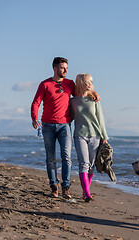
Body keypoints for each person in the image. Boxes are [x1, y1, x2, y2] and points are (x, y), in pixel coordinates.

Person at [31, 57, 99, 199]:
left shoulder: (69, 84)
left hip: (64, 126)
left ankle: (66, 187)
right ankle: (54, 185)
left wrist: (95, 93)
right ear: (55, 69)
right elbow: (36, 102)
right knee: (50, 157)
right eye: (62, 68)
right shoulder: (45, 84)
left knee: (66, 157)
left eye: (66, 68)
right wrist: (34, 118)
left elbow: (82, 93)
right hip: (47, 126)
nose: (65, 70)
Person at [70, 73, 109, 202]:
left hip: (95, 135)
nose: (90, 84)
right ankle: (87, 194)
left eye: (91, 81)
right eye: (88, 82)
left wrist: (104, 136)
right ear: (81, 83)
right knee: (84, 164)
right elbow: (69, 117)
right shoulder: (73, 101)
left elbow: (100, 118)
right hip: (79, 135)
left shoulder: (94, 100)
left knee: (91, 165)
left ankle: (85, 190)